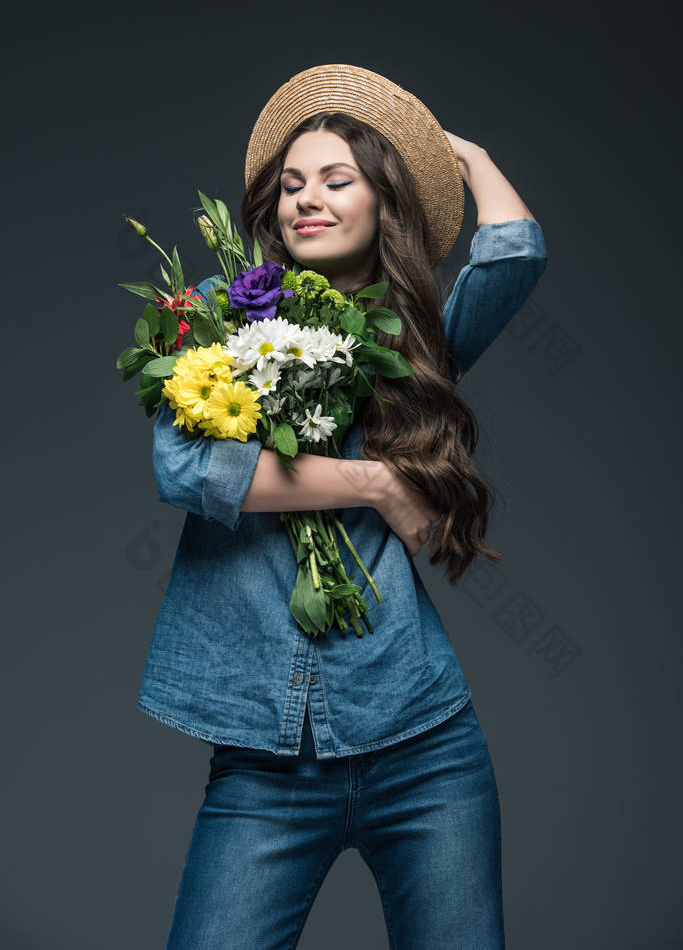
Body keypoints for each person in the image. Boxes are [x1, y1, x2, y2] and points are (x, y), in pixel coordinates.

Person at [139, 64, 548, 949]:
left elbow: (513, 249)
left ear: (383, 202)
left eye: (336, 179)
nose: (305, 200)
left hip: (425, 744)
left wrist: (452, 153)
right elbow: (191, 468)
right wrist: (376, 482)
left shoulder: (411, 339)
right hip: (263, 763)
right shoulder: (218, 314)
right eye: (290, 185)